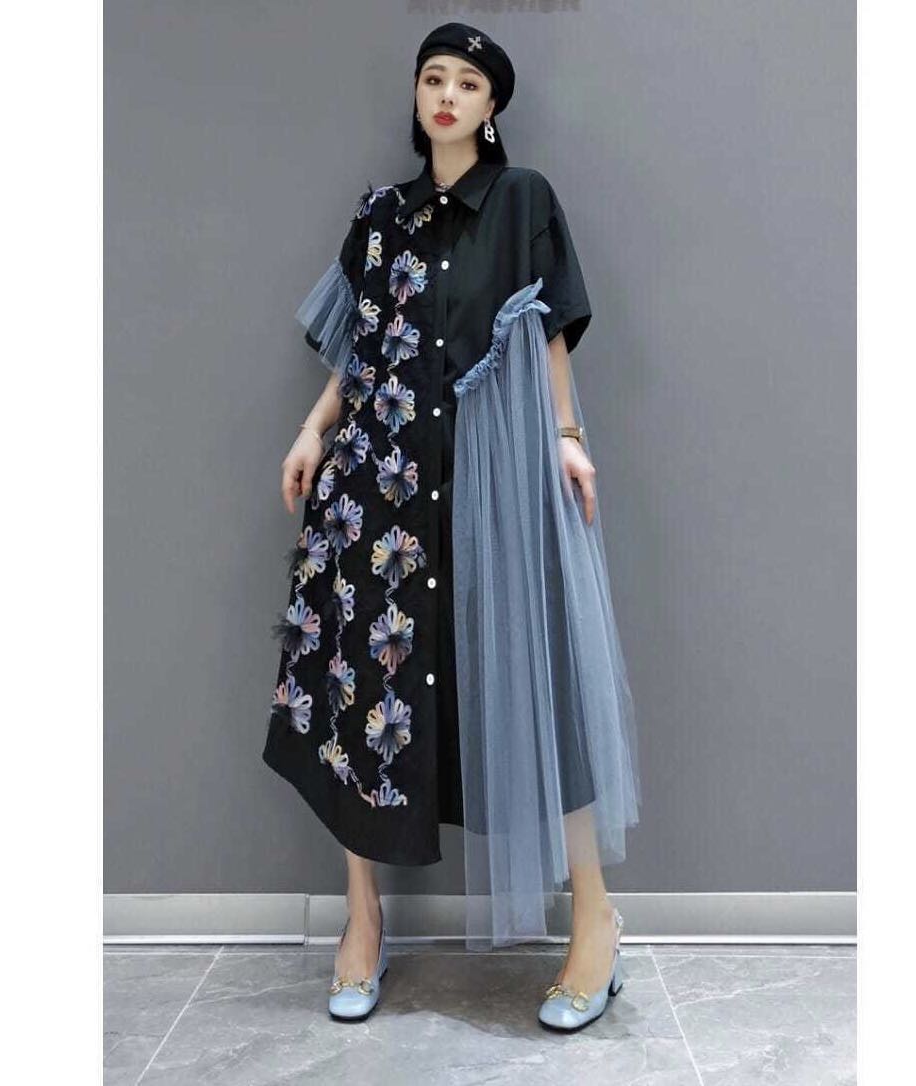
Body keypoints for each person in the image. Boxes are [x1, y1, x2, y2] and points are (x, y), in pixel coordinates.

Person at [262, 21, 642, 1031]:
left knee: (532, 684)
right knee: (361, 689)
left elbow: (549, 330)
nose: (446, 94)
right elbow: (360, 347)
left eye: (468, 82)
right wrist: (313, 430)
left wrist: (567, 436)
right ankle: (362, 922)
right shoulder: (379, 217)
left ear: (491, 105)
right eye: (433, 77)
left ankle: (595, 924)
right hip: (375, 486)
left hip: (486, 485)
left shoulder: (522, 201)